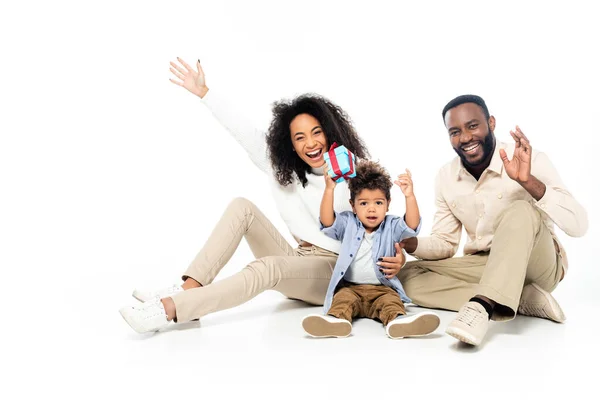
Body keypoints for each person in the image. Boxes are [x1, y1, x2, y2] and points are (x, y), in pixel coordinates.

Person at [119, 58, 407, 334]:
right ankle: (189, 290)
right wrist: (205, 93)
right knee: (241, 207)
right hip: (299, 258)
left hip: (334, 270)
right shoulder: (284, 169)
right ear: (290, 145)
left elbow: (379, 215)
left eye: (316, 133)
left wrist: (398, 254)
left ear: (330, 133)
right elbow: (244, 131)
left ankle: (171, 309)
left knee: (265, 268)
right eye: (300, 137)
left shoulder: (351, 170)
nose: (311, 143)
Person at [397, 94, 588, 346]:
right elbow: (445, 243)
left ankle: (481, 307)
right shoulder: (446, 177)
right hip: (484, 264)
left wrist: (527, 182)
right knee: (405, 277)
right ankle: (521, 299)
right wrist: (407, 243)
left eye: (473, 126)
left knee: (520, 209)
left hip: (537, 262)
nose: (465, 138)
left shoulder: (528, 159)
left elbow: (579, 225)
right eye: (455, 131)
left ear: (492, 123)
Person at [301, 160, 440, 339]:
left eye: (379, 203)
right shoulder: (348, 222)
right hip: (351, 288)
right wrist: (329, 189)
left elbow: (412, 226)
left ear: (388, 204)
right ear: (353, 205)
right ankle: (335, 322)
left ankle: (398, 322)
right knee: (342, 302)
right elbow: (327, 222)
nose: (372, 209)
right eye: (364, 203)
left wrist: (409, 196)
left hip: (382, 288)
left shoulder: (392, 225)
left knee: (391, 303)